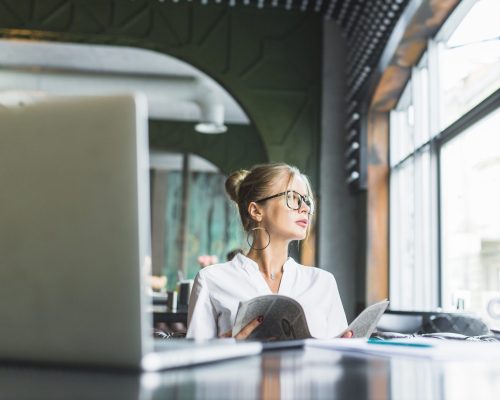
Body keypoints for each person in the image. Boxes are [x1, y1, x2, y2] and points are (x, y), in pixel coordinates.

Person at [186, 163, 351, 340]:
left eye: (307, 201)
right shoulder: (211, 280)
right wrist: (226, 346)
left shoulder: (323, 283)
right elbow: (192, 362)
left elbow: (340, 360)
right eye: (293, 198)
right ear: (256, 211)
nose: (305, 209)